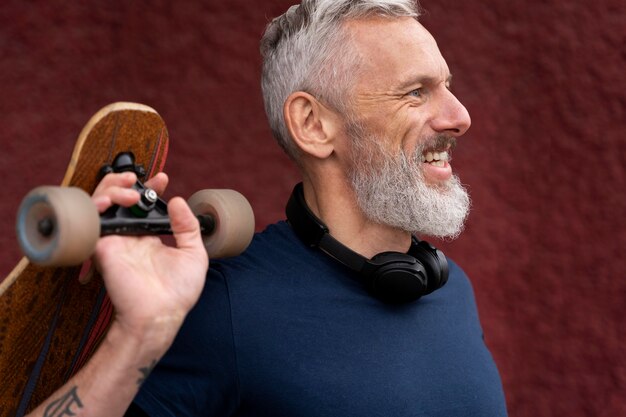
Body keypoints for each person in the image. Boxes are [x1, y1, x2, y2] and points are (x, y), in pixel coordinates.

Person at [27, 0, 508, 416]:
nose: (459, 116)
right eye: (416, 92)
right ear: (313, 124)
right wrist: (140, 332)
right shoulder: (229, 308)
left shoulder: (449, 288)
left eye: (447, 86)